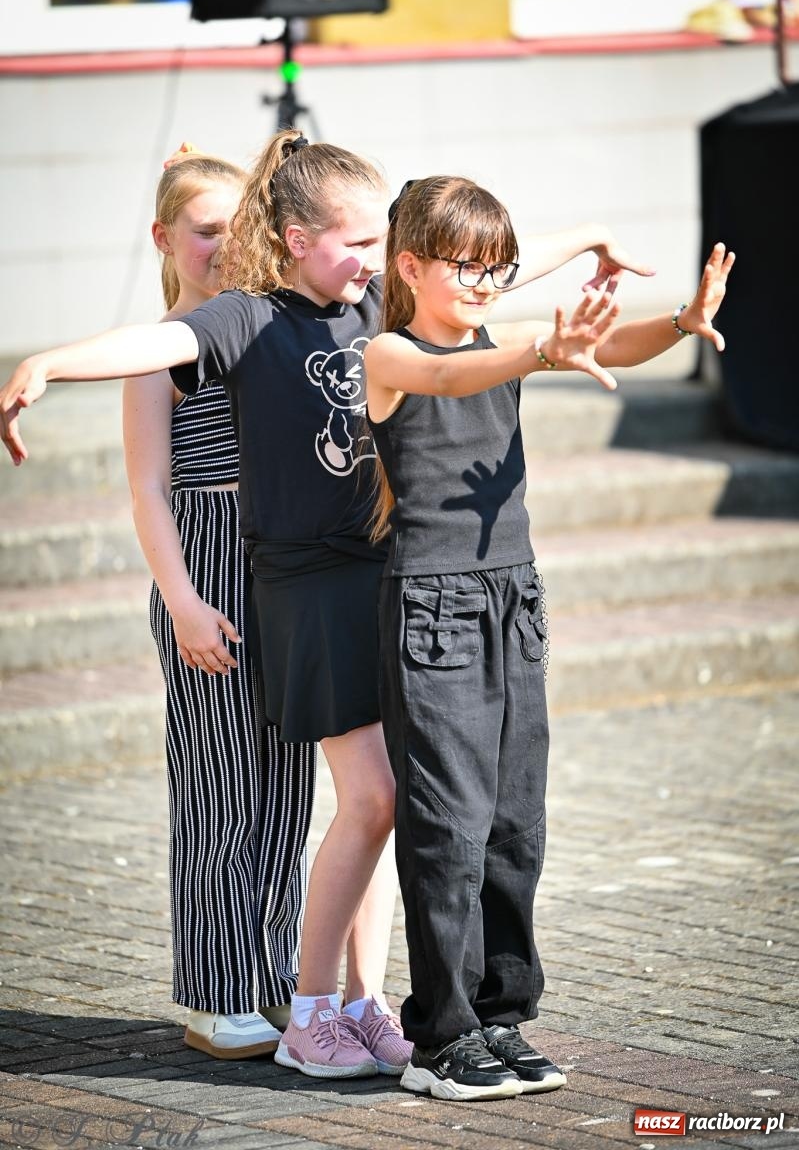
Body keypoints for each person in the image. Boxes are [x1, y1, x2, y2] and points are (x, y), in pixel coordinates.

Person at [0, 130, 657, 1081]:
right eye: (352, 240)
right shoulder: (246, 318)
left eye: (375, 241)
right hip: (304, 586)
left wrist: (591, 236)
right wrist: (50, 363)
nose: (368, 257)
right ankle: (311, 1008)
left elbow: (488, 275)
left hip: (382, 576)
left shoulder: (371, 303)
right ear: (298, 237)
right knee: (376, 797)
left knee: (400, 802)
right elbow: (159, 341)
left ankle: (362, 1001)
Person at [364, 174, 734, 1101]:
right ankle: (439, 1039)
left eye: (500, 270)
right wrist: (541, 345)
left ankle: (498, 1017)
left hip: (511, 599)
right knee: (446, 827)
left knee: (512, 824)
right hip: (433, 608)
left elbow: (604, 345)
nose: (488, 285)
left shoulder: (497, 333)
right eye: (469, 269)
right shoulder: (387, 352)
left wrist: (681, 324)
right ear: (408, 265)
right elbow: (453, 374)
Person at [123, 145, 317, 1060]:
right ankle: (212, 992)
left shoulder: (265, 328)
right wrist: (185, 603)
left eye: (234, 228)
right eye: (204, 230)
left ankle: (273, 971)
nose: (221, 245)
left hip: (283, 568)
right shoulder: (154, 349)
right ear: (163, 236)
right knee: (217, 787)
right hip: (203, 569)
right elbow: (148, 492)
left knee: (285, 786)